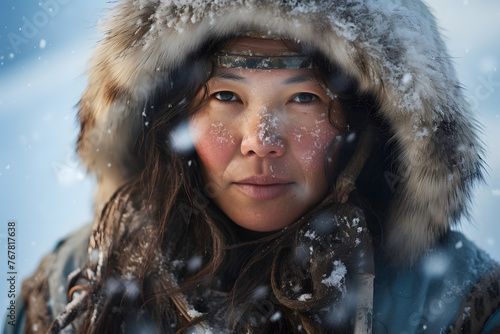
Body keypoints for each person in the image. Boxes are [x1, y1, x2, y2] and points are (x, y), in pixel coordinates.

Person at [6, 0, 500, 333]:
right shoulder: (75, 285)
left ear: (363, 125)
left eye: (304, 98)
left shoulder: (452, 300)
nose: (260, 143)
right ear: (171, 118)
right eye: (225, 96)